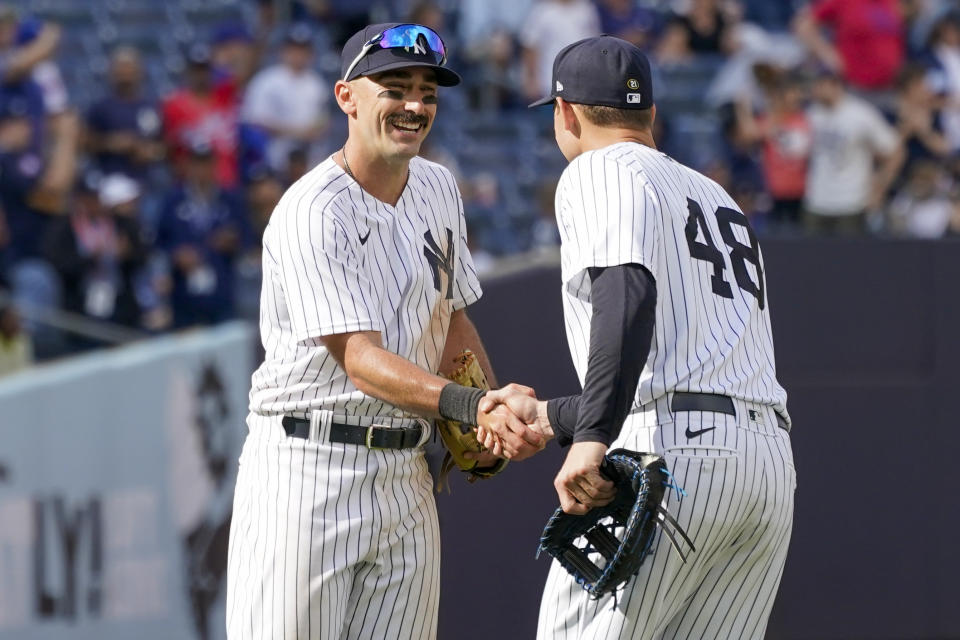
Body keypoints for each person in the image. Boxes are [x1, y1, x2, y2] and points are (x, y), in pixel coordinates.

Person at [224, 22, 543, 640]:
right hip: (309, 468)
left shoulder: (437, 185)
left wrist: (489, 413)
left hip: (406, 476)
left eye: (428, 91)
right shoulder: (312, 209)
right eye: (395, 87)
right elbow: (361, 360)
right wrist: (472, 404)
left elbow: (452, 317)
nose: (414, 106)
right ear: (347, 97)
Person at [480, 35, 795, 639]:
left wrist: (591, 437)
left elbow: (627, 298)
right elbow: (678, 371)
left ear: (564, 113)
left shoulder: (597, 168)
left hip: (674, 458)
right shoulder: (714, 194)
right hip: (766, 468)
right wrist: (550, 418)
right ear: (649, 114)